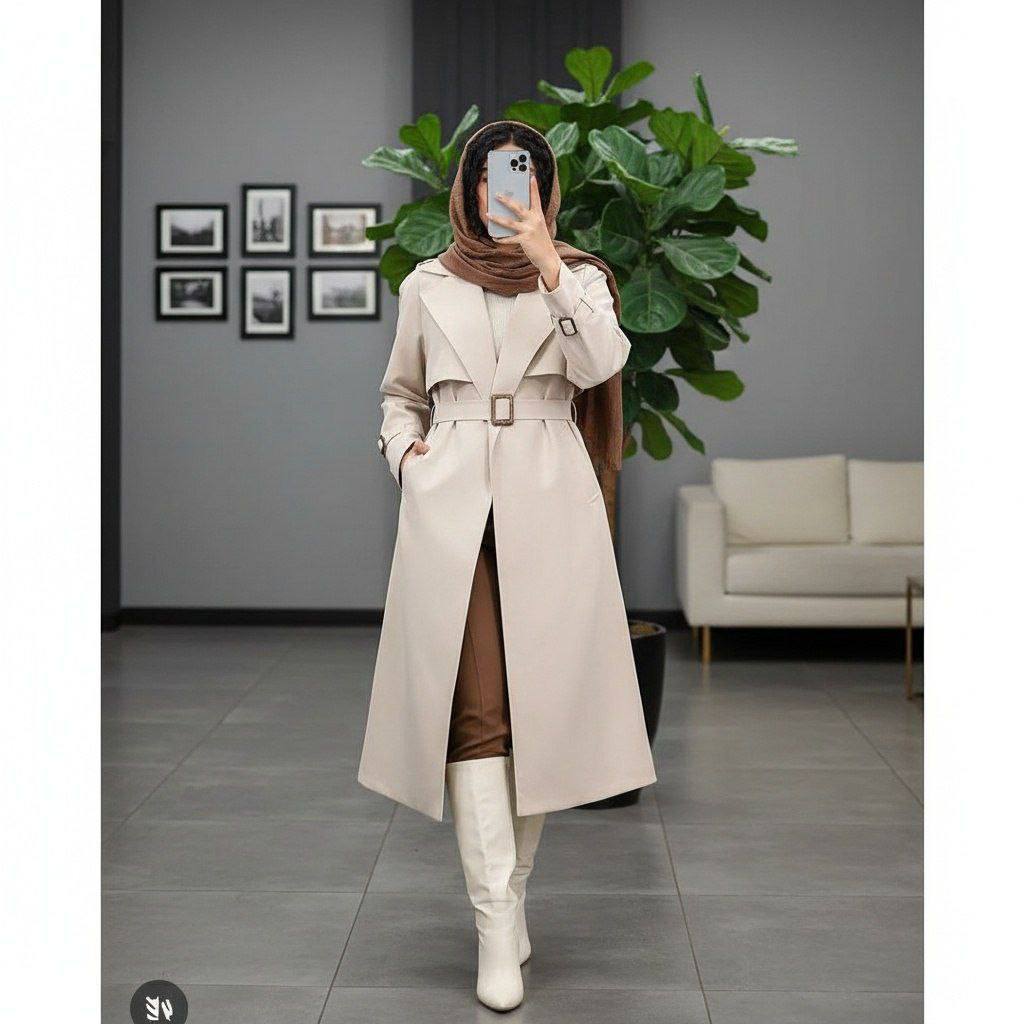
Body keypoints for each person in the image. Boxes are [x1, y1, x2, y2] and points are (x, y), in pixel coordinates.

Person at [358, 120, 656, 1011]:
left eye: (521, 176)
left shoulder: (581, 278)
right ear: (467, 187)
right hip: (449, 504)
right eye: (491, 176)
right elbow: (399, 394)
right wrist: (405, 456)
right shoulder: (426, 283)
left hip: (549, 500)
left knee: (541, 716)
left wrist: (547, 262)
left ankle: (510, 899)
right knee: (478, 713)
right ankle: (495, 923)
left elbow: (602, 364)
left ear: (544, 189)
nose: (505, 191)